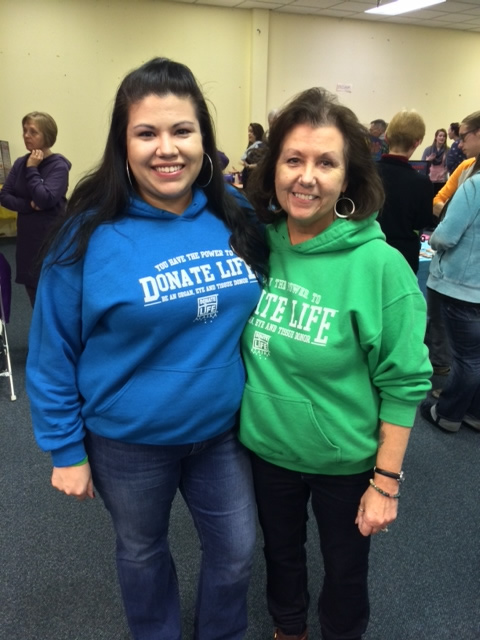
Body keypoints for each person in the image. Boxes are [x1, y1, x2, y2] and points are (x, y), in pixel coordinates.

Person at [26, 57, 268, 640]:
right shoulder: (87, 233)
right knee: (142, 552)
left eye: (182, 130)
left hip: (222, 431)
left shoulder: (234, 214)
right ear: (123, 143)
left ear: (204, 139)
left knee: (237, 551)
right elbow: (53, 351)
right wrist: (64, 450)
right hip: (127, 441)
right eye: (146, 133)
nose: (167, 149)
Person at [239, 88, 432, 640]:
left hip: (344, 460)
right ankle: (288, 628)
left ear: (348, 179)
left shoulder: (380, 266)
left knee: (345, 571)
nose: (307, 177)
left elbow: (405, 382)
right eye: (293, 160)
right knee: (280, 555)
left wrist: (386, 483)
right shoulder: (256, 246)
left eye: (326, 163)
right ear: (273, 168)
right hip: (266, 449)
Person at [420, 111, 480, 432]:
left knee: (467, 359)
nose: (459, 143)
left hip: (462, 284)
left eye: (464, 135)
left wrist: (435, 239)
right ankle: (473, 412)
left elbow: (445, 236)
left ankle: (448, 415)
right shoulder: (467, 172)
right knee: (476, 356)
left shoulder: (474, 186)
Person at [0, 111, 71, 306]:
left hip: (50, 238)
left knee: (53, 296)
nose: (26, 135)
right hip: (27, 240)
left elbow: (45, 199)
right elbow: (4, 196)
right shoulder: (20, 163)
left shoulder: (58, 166)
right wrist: (28, 205)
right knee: (33, 292)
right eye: (24, 130)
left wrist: (32, 169)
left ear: (47, 136)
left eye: (33, 132)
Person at [376, 109, 433, 273]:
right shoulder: (422, 183)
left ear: (386, 138)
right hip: (403, 257)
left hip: (366, 250)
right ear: (417, 142)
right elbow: (421, 223)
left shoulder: (366, 173)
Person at [422, 128, 449, 196]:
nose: (442, 138)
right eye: (440, 136)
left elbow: (450, 166)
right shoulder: (428, 150)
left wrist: (444, 172)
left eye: (444, 136)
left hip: (442, 180)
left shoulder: (448, 150)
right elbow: (422, 165)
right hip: (430, 180)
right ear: (436, 137)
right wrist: (428, 160)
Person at [240, 122, 265, 190]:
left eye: (251, 131)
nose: (249, 134)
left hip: (255, 184)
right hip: (248, 182)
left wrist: (248, 166)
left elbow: (262, 165)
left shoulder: (260, 147)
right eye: (249, 131)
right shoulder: (252, 146)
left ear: (257, 132)